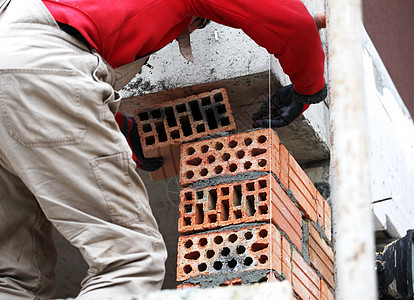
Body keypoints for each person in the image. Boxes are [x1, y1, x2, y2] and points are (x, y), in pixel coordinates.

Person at [0, 0, 326, 298]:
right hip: (40, 75)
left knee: (15, 274)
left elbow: (48, 64)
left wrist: (124, 130)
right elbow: (289, 19)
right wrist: (309, 88)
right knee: (130, 258)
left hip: (26, 79)